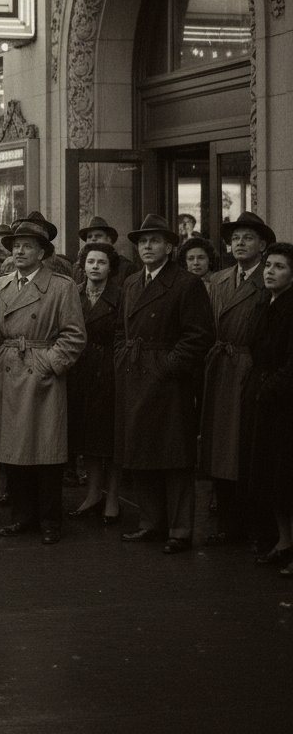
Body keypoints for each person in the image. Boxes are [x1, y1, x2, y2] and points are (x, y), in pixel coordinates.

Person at [115, 214, 214, 554]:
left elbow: (199, 336)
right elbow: (120, 330)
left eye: (155, 241)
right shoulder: (130, 283)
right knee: (141, 452)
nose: (147, 247)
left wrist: (166, 366)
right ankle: (150, 523)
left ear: (170, 247)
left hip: (169, 383)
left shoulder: (186, 284)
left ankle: (180, 530)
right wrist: (123, 357)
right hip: (135, 374)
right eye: (142, 241)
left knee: (175, 457)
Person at [0, 212, 86, 544]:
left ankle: (50, 521)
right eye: (15, 247)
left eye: (27, 247)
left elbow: (74, 337)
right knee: (15, 454)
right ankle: (21, 516)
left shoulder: (62, 287)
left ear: (42, 253)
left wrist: (46, 364)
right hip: (10, 373)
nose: (19, 252)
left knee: (46, 453)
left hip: (43, 378)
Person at [200, 211, 275, 546]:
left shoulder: (267, 281)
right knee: (220, 449)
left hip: (248, 369)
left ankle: (255, 526)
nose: (240, 243)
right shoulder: (218, 280)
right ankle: (229, 524)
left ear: (263, 245)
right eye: (236, 238)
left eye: (248, 238)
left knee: (246, 447)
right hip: (220, 369)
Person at [67, 242, 123, 524]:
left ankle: (112, 498)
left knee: (109, 438)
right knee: (87, 436)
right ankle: (92, 494)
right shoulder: (73, 293)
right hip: (79, 370)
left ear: (110, 267)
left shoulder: (120, 296)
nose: (95, 267)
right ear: (83, 265)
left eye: (101, 262)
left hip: (109, 372)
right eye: (90, 262)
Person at [248, 243, 293, 573]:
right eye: (268, 265)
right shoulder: (265, 303)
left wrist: (270, 387)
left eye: (279, 266)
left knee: (287, 475)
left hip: (285, 402)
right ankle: (283, 540)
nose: (269, 271)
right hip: (265, 399)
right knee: (273, 477)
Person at [73, 216, 136, 283]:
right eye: (89, 236)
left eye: (98, 236)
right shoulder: (77, 268)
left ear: (109, 240)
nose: (93, 239)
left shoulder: (126, 267)